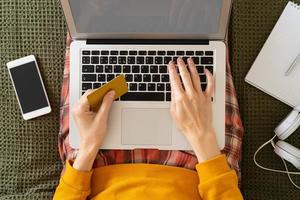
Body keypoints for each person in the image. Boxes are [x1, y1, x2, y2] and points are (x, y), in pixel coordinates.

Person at [53, 57, 243, 200]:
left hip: (94, 164)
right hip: (201, 165)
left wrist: (88, 146)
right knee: (201, 33)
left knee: (94, 32)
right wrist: (201, 135)